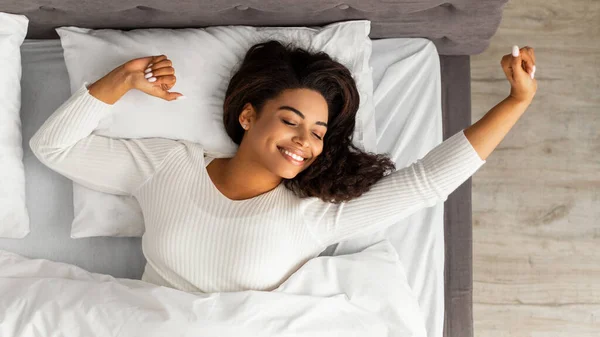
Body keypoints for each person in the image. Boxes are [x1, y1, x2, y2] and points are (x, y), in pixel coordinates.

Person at [30, 41, 537, 293]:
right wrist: (121, 79)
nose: (304, 141)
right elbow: (53, 147)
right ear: (248, 115)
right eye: (291, 121)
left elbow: (426, 182)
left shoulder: (315, 212)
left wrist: (515, 102)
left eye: (318, 132)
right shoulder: (166, 164)